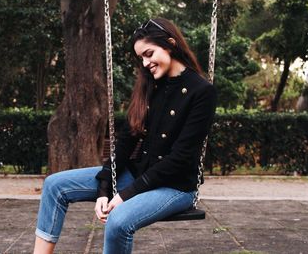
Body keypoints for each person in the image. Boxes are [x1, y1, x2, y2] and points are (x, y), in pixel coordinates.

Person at [33, 17, 217, 254]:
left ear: (170, 44)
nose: (145, 62)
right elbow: (126, 141)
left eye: (149, 53)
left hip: (175, 187)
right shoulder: (150, 85)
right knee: (54, 185)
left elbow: (180, 158)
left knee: (118, 221)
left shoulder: (201, 91)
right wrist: (104, 189)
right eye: (141, 57)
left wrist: (125, 195)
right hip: (138, 174)